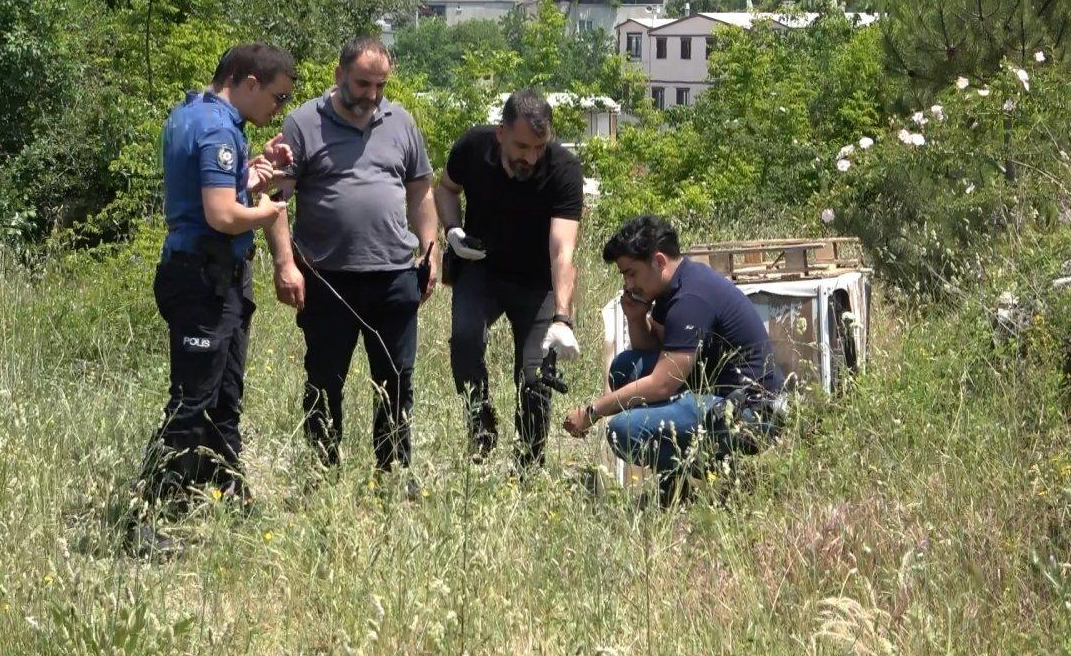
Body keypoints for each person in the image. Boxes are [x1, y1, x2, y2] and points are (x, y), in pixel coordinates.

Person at [137, 43, 296, 538]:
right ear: (248, 82)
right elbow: (222, 215)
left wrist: (254, 170)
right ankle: (147, 517)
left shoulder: (194, 112)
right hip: (202, 280)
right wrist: (270, 211)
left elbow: (218, 187)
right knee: (192, 400)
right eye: (276, 97)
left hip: (215, 277)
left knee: (225, 396)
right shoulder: (215, 129)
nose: (278, 110)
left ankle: (228, 495)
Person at [264, 37, 437, 487]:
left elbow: (420, 189)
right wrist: (285, 263)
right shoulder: (302, 122)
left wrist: (430, 247)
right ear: (339, 74)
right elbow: (276, 199)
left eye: (380, 85)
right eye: (362, 83)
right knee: (324, 380)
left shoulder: (401, 121)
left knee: (396, 380)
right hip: (326, 278)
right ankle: (322, 474)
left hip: (394, 275)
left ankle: (393, 473)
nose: (372, 94)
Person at [562, 215, 784, 505]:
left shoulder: (690, 298)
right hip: (715, 394)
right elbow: (656, 352)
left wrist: (592, 412)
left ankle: (725, 474)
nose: (628, 284)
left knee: (622, 431)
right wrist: (636, 317)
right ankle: (678, 483)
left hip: (750, 413)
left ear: (659, 261)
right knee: (624, 368)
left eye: (632, 273)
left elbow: (663, 384)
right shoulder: (674, 285)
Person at [434, 90, 584, 469]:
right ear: (501, 133)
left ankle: (529, 462)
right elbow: (446, 188)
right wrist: (452, 230)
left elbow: (562, 250)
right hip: (480, 268)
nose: (530, 157)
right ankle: (480, 426)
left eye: (539, 146)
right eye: (521, 146)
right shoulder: (472, 146)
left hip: (537, 284)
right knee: (465, 341)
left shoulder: (563, 169)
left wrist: (562, 318)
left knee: (536, 375)